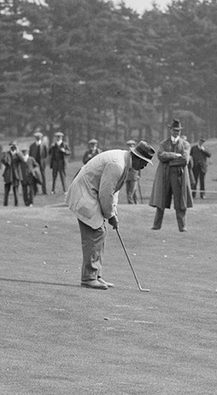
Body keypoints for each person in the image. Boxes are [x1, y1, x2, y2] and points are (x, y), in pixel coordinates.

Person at [66, 140, 155, 289]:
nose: (144, 166)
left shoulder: (124, 162)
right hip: (85, 193)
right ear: (138, 158)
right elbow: (106, 192)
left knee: (101, 232)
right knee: (96, 232)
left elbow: (114, 192)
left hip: (91, 193)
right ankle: (88, 278)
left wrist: (114, 213)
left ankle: (95, 275)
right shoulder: (117, 164)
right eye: (144, 162)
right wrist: (110, 215)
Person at [150, 119, 192, 232]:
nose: (176, 132)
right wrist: (175, 155)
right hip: (164, 175)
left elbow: (185, 160)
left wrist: (169, 161)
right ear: (170, 130)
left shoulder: (185, 144)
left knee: (180, 202)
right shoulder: (164, 143)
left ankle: (182, 226)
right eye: (174, 130)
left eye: (178, 131)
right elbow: (160, 156)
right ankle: (156, 225)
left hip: (179, 176)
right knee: (161, 201)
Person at [29, 131, 49, 197]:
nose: (38, 138)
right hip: (34, 163)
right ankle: (35, 190)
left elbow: (46, 155)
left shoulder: (44, 146)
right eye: (37, 137)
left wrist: (44, 162)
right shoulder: (32, 146)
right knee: (34, 176)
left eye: (39, 137)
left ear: (41, 137)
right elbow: (30, 155)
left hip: (41, 163)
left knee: (43, 176)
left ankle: (44, 190)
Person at [1, 141, 22, 206]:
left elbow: (23, 160)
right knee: (7, 189)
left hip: (16, 174)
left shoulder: (18, 154)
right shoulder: (7, 153)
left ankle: (16, 204)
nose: (13, 148)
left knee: (16, 189)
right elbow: (3, 160)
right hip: (8, 173)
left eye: (14, 146)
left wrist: (18, 151)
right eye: (12, 146)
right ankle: (5, 204)